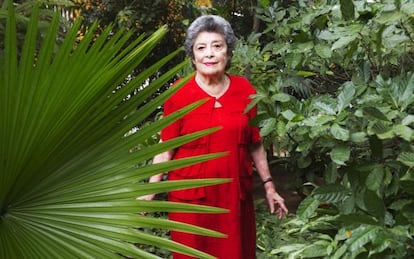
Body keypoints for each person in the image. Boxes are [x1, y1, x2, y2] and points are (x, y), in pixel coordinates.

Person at [141, 15, 288, 259]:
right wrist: (150, 192)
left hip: (234, 200)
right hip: (190, 204)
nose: (209, 53)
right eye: (201, 47)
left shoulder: (245, 91)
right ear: (193, 56)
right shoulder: (178, 94)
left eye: (217, 46)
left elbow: (255, 144)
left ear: (228, 53)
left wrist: (269, 186)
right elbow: (166, 147)